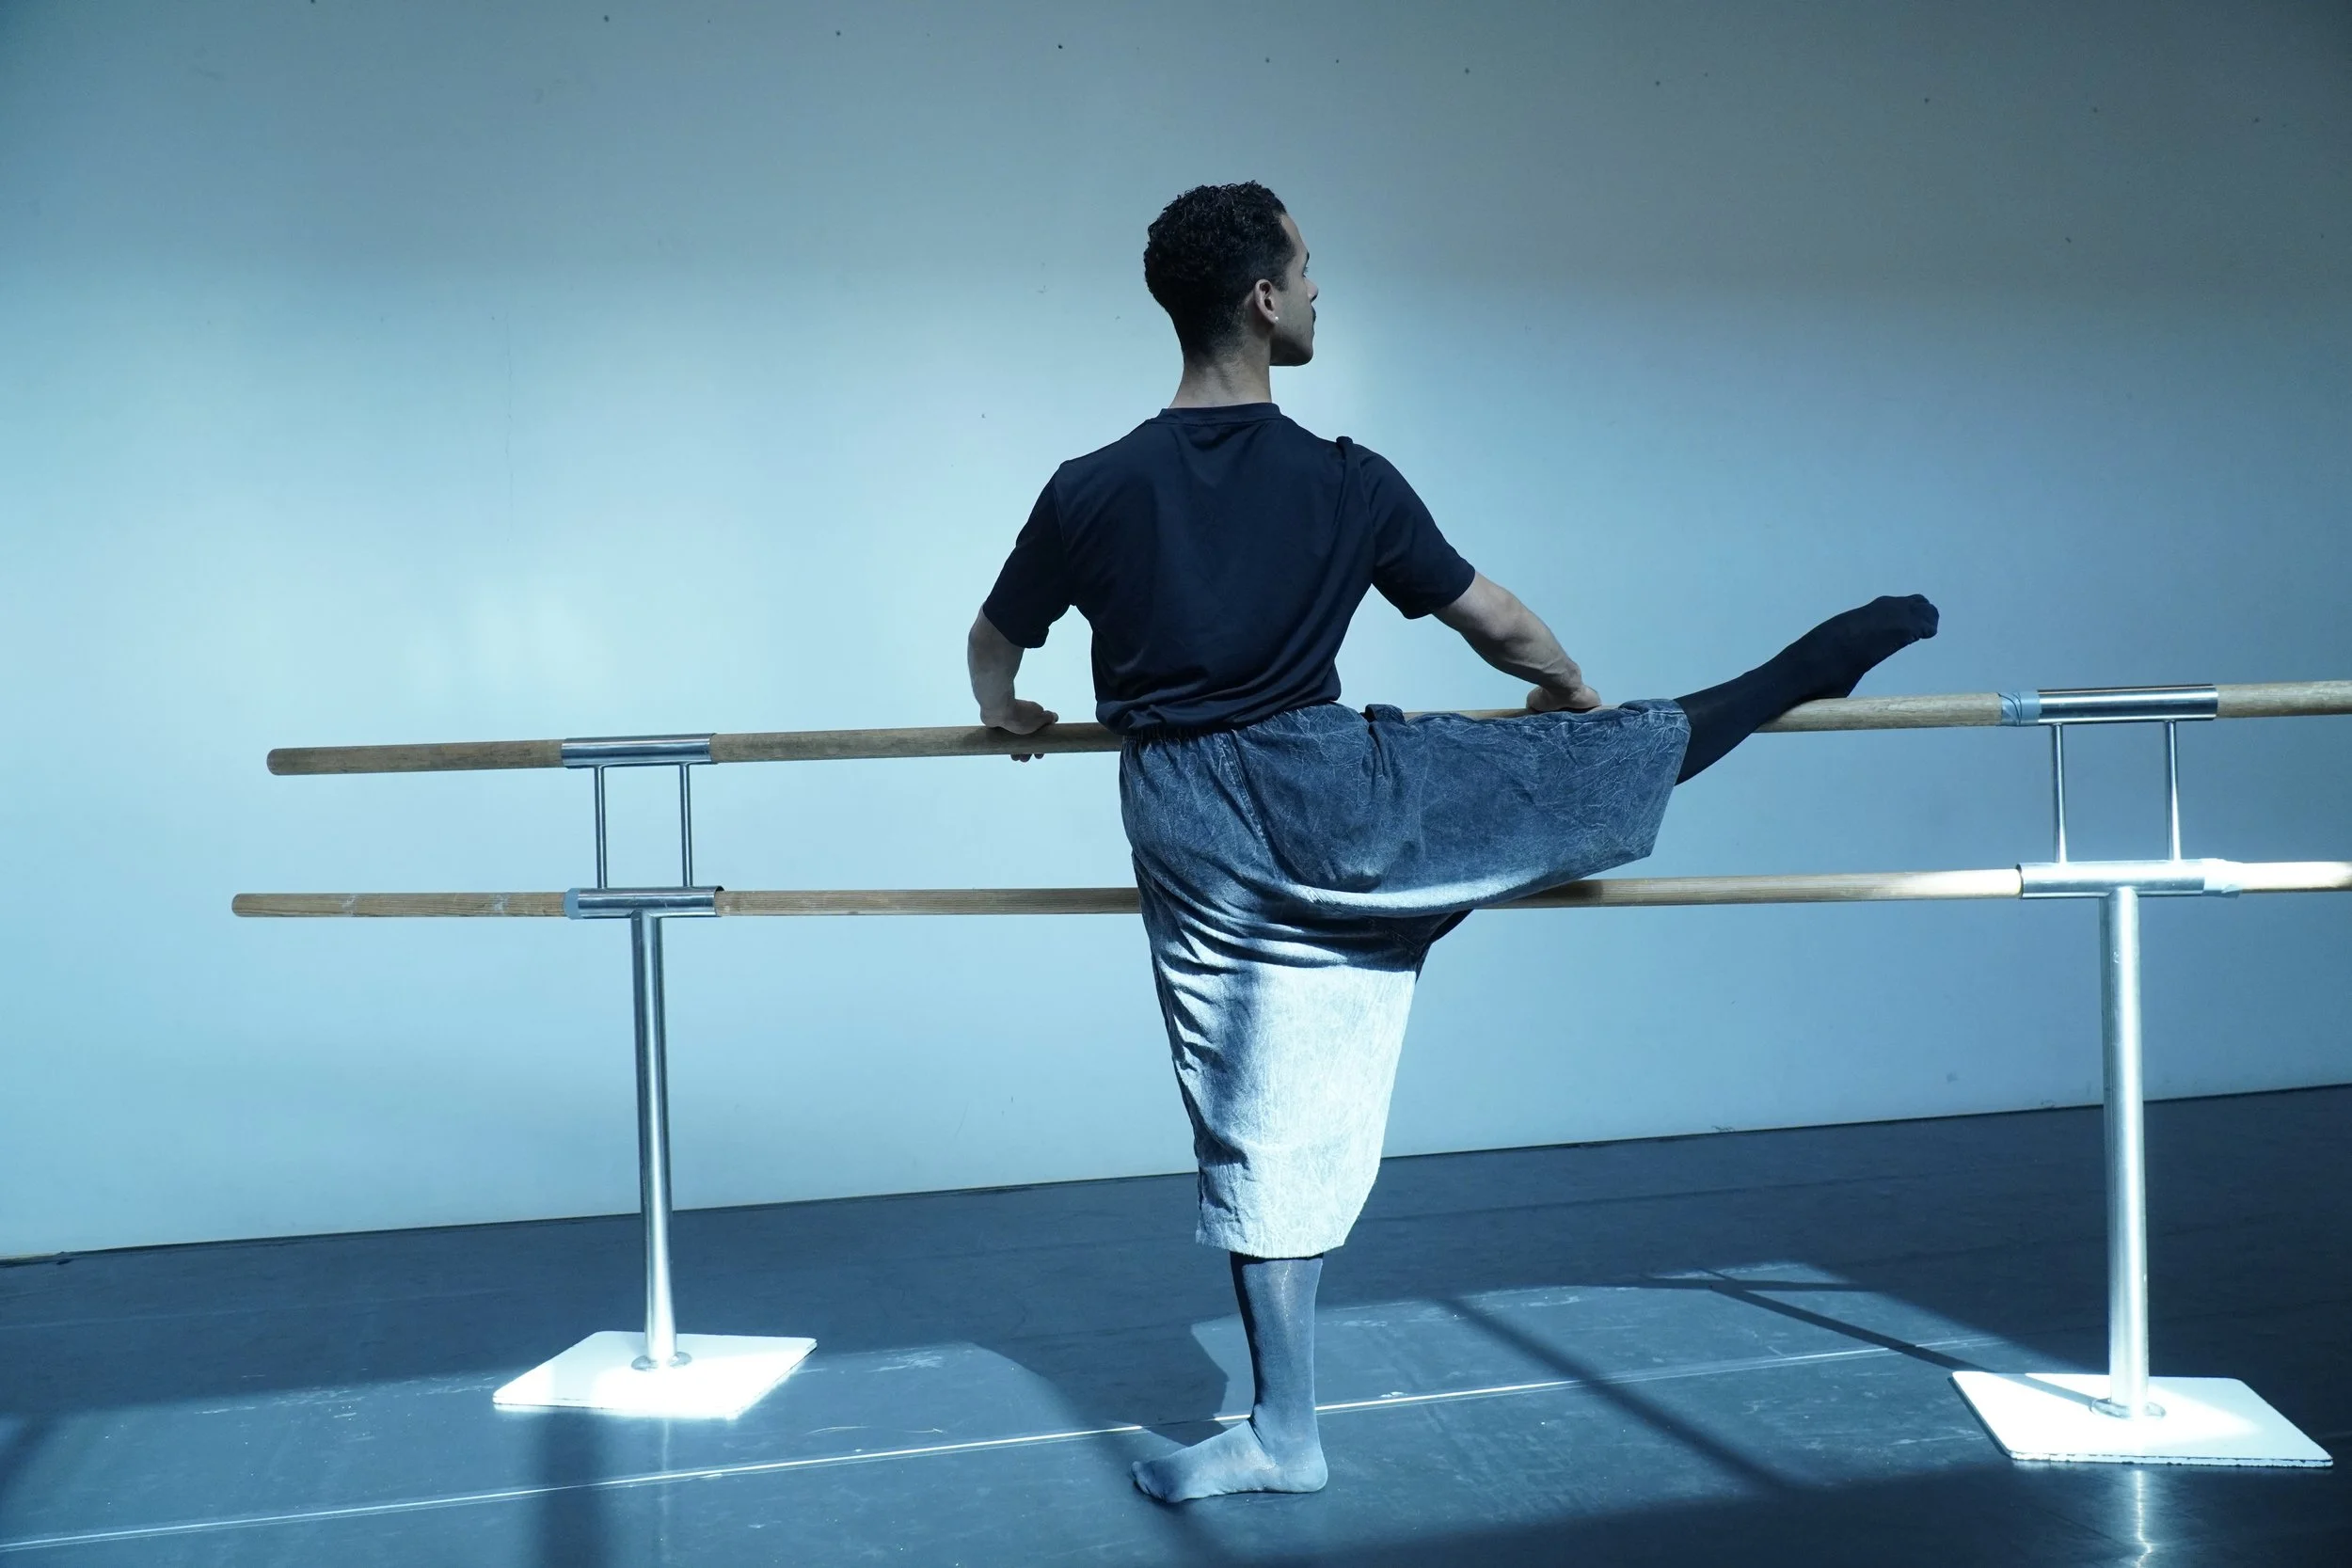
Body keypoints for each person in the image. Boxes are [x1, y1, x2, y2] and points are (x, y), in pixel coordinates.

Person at [966, 182, 1937, 1504]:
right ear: (1263, 298)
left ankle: (1285, 1430)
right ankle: (1786, 679)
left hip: (1194, 827)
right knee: (1574, 767)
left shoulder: (1091, 488)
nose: (1320, 290)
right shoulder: (1345, 478)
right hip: (1341, 801)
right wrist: (1570, 693)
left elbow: (997, 640)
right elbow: (1500, 625)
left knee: (1252, 1116)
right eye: (1308, 269)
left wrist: (1007, 713)